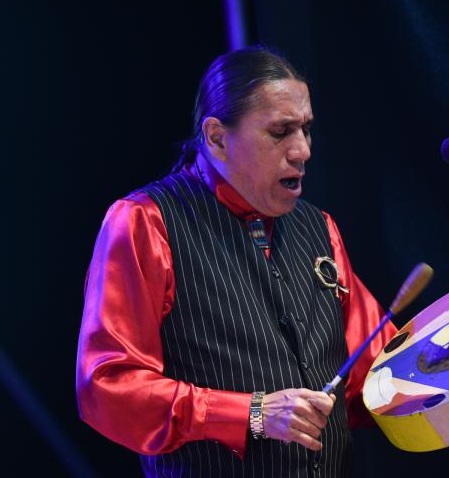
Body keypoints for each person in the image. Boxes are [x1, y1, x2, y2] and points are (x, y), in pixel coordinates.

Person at [76, 46, 396, 477]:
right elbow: (108, 387)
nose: (302, 150)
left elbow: (374, 369)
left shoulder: (320, 228)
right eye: (281, 132)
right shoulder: (147, 222)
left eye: (305, 129)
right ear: (216, 138)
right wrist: (251, 413)